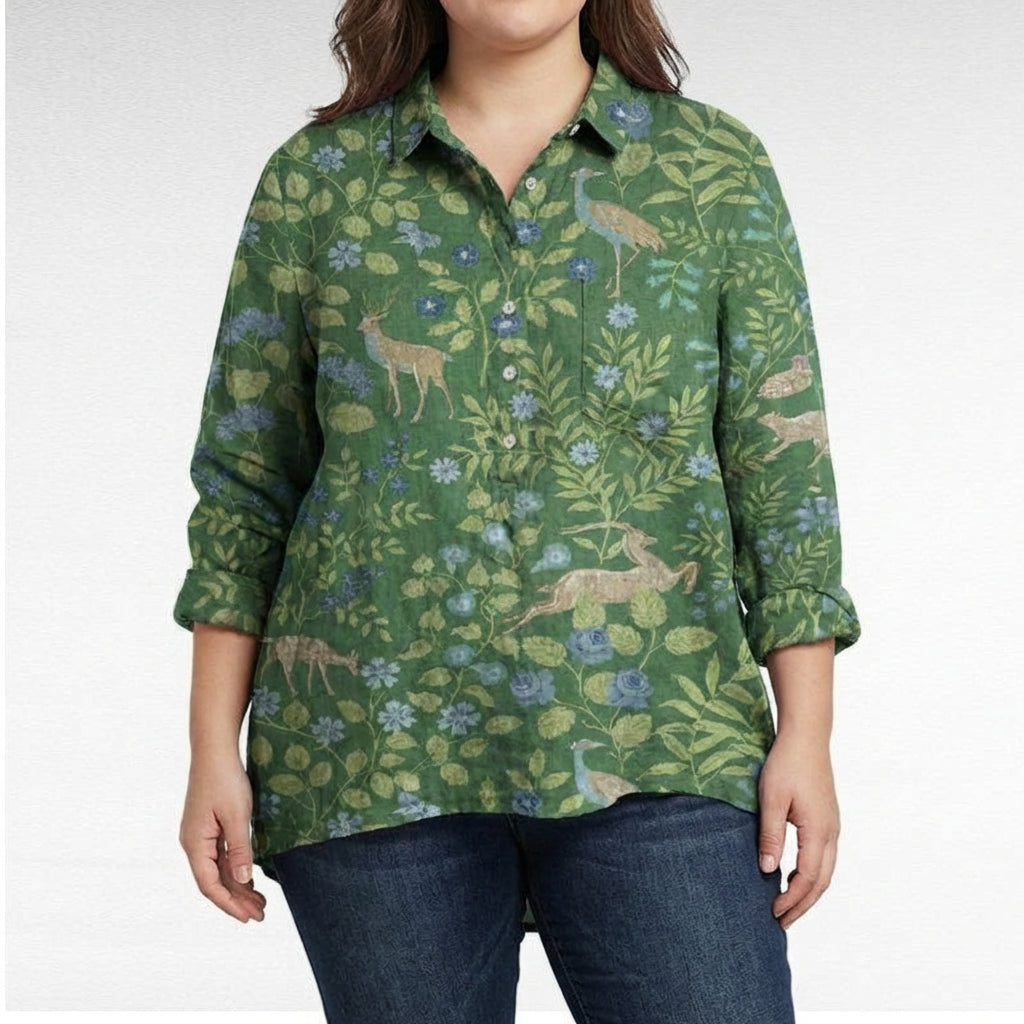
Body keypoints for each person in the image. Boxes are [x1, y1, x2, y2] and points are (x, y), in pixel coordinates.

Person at [175, 1, 862, 1021]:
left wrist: (807, 731)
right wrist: (210, 750)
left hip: (659, 737)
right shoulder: (318, 181)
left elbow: (781, 466)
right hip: (373, 756)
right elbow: (248, 481)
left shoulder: (710, 170)